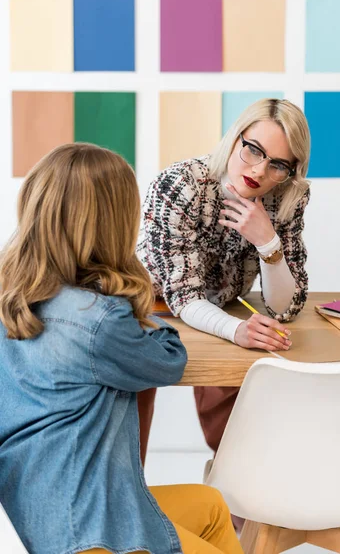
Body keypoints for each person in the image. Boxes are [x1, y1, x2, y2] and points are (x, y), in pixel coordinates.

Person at [0, 144, 244, 554]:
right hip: (93, 532)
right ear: (111, 224)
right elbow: (167, 361)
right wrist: (135, 293)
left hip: (47, 514)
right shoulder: (98, 319)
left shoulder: (14, 295)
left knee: (210, 506)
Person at [138, 98, 311, 458]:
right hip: (144, 306)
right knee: (128, 407)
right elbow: (183, 296)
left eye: (278, 164)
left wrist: (268, 242)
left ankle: (248, 507)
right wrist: (237, 330)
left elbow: (286, 306)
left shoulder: (287, 196)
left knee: (238, 431)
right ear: (236, 137)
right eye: (253, 150)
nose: (260, 171)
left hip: (221, 307)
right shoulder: (182, 184)